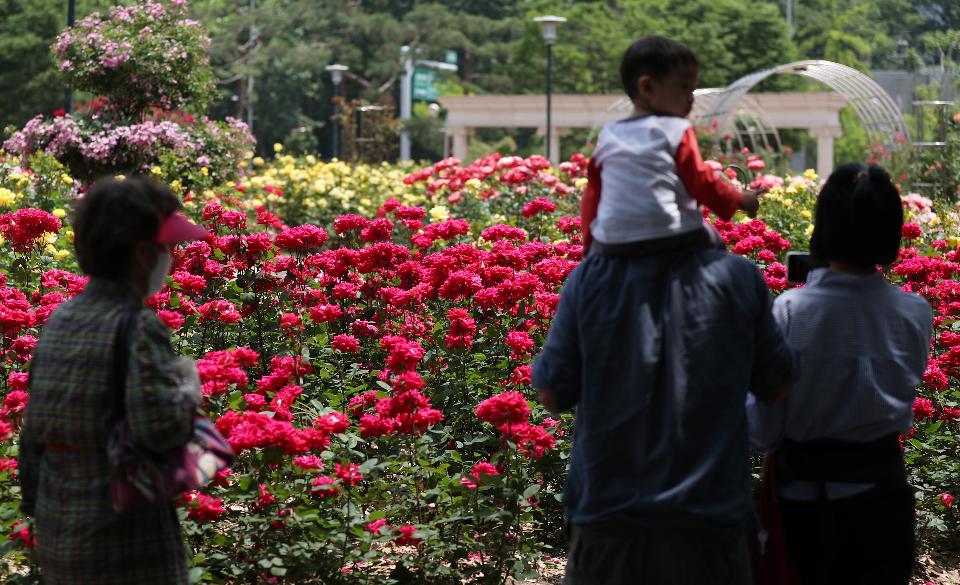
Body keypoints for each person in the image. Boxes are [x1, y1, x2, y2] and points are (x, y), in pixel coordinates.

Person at [533, 205, 798, 580]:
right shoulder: (737, 277)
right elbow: (779, 386)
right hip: (710, 520)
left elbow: (552, 394)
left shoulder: (591, 277)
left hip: (609, 519)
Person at [747, 164, 932, 585]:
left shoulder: (791, 312)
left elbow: (764, 429)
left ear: (822, 227)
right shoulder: (913, 313)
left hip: (802, 506)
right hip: (882, 503)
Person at [18, 177, 208, 585]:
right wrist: (187, 392)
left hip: (60, 528)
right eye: (167, 248)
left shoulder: (60, 320)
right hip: (125, 539)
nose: (171, 258)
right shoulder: (137, 326)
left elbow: (32, 429)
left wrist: (37, 504)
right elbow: (158, 430)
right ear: (143, 253)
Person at [579, 36, 764, 252]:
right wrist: (741, 199)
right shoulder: (676, 130)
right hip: (669, 238)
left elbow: (593, 194)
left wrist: (591, 245)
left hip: (611, 245)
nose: (691, 98)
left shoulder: (609, 134)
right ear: (647, 87)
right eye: (684, 88)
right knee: (722, 254)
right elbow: (701, 181)